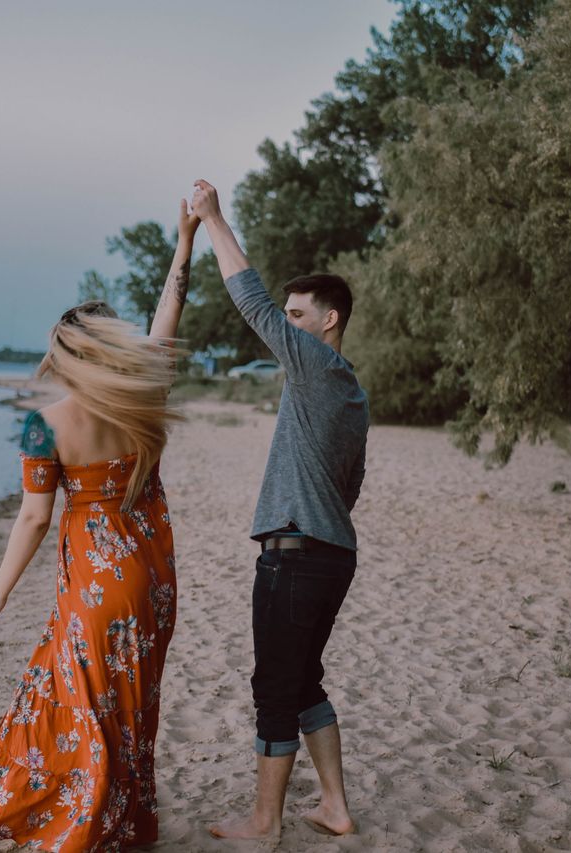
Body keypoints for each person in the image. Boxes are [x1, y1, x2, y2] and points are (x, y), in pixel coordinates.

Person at [0, 199, 199, 849]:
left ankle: (87, 819)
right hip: (152, 575)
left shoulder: (46, 422)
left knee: (79, 697)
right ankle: (124, 815)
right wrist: (184, 242)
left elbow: (36, 516)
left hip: (96, 578)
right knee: (129, 703)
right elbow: (169, 315)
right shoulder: (144, 398)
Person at [190, 179, 368, 840]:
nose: (287, 325)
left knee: (273, 690)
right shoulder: (354, 393)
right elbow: (350, 487)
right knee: (303, 681)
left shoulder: (314, 363)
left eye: (300, 314)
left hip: (295, 557)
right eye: (291, 316)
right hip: (334, 555)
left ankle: (264, 822)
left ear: (329, 320)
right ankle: (335, 805)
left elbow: (251, 300)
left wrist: (214, 219)